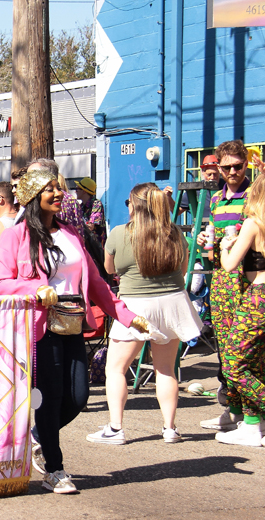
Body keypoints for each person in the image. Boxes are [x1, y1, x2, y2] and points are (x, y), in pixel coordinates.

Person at [0, 169, 149, 494]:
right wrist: (34, 289)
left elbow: (96, 282)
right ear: (34, 195)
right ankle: (54, 467)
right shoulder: (15, 236)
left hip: (73, 322)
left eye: (59, 188)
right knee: (49, 400)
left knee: (78, 397)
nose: (60, 193)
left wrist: (126, 315)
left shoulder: (71, 233)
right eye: (51, 189)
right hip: (39, 328)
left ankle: (37, 437)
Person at [86, 183, 203, 445]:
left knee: (116, 369)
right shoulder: (173, 233)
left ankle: (116, 428)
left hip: (135, 305)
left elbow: (109, 268)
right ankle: (170, 428)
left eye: (128, 203)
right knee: (166, 370)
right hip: (173, 302)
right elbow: (183, 268)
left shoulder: (119, 233)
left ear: (134, 205)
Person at [212, 172, 265, 447]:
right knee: (254, 363)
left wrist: (224, 246)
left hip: (258, 298)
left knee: (233, 363)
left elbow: (230, 265)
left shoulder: (252, 224)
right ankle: (253, 425)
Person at [196, 140, 254, 430]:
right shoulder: (217, 199)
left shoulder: (254, 194)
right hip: (221, 279)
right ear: (217, 167)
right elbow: (212, 244)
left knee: (246, 349)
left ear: (246, 164)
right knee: (225, 349)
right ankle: (233, 409)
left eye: (238, 166)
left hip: (249, 279)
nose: (232, 171)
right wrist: (206, 241)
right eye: (226, 166)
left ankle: (253, 413)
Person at [75, 177, 105, 245]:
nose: (75, 191)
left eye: (77, 189)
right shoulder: (81, 206)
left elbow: (90, 227)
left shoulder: (96, 204)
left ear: (84, 191)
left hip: (96, 248)